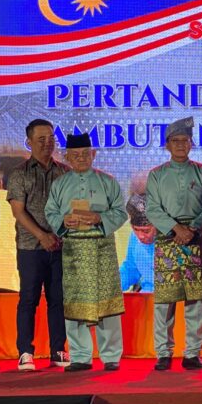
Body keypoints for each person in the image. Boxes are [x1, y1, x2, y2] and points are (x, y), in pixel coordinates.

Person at [44, 133, 128, 372]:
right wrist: (63, 221)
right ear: (67, 157)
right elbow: (50, 212)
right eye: (75, 155)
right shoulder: (60, 184)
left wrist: (99, 218)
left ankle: (111, 356)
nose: (81, 158)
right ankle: (80, 356)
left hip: (101, 247)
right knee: (74, 303)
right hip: (73, 249)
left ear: (93, 154)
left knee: (107, 303)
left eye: (85, 154)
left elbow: (121, 212)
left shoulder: (107, 181)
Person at [145, 117, 202, 371]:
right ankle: (163, 353)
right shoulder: (157, 174)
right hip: (168, 238)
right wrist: (176, 229)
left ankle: (192, 354)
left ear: (191, 143)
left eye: (185, 140)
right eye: (175, 141)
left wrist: (192, 228)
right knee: (165, 301)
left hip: (196, 238)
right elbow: (152, 209)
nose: (180, 145)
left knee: (196, 300)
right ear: (167, 145)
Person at [6, 118, 70, 371]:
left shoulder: (64, 172)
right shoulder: (19, 173)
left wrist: (57, 235)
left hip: (59, 245)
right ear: (29, 142)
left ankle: (58, 349)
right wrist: (42, 235)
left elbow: (70, 207)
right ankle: (25, 351)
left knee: (58, 299)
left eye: (51, 138)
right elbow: (18, 211)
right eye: (41, 139)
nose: (47, 143)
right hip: (30, 247)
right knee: (28, 299)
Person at [119, 193, 156, 293]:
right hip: (145, 296)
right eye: (135, 229)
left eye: (146, 231)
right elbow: (131, 268)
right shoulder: (134, 237)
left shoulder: (173, 238)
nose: (140, 236)